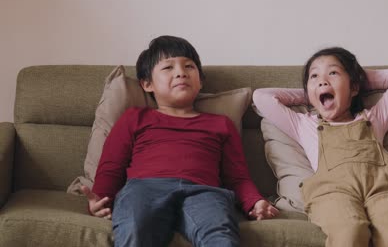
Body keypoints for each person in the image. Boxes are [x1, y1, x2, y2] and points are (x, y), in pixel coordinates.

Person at [81, 35, 279, 247]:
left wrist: (254, 201)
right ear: (147, 84)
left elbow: (237, 177)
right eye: (168, 67)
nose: (181, 72)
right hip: (145, 189)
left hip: (204, 192)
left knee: (221, 238)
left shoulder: (221, 124)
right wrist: (101, 199)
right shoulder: (134, 118)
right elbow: (112, 165)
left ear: (200, 81)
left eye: (189, 66)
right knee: (136, 229)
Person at [253, 47, 388, 247]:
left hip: (382, 191)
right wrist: (309, 94)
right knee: (350, 232)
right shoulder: (303, 124)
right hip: (332, 194)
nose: (322, 80)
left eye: (333, 73)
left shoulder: (375, 118)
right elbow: (261, 97)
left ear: (354, 87)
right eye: (314, 76)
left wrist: (356, 80)